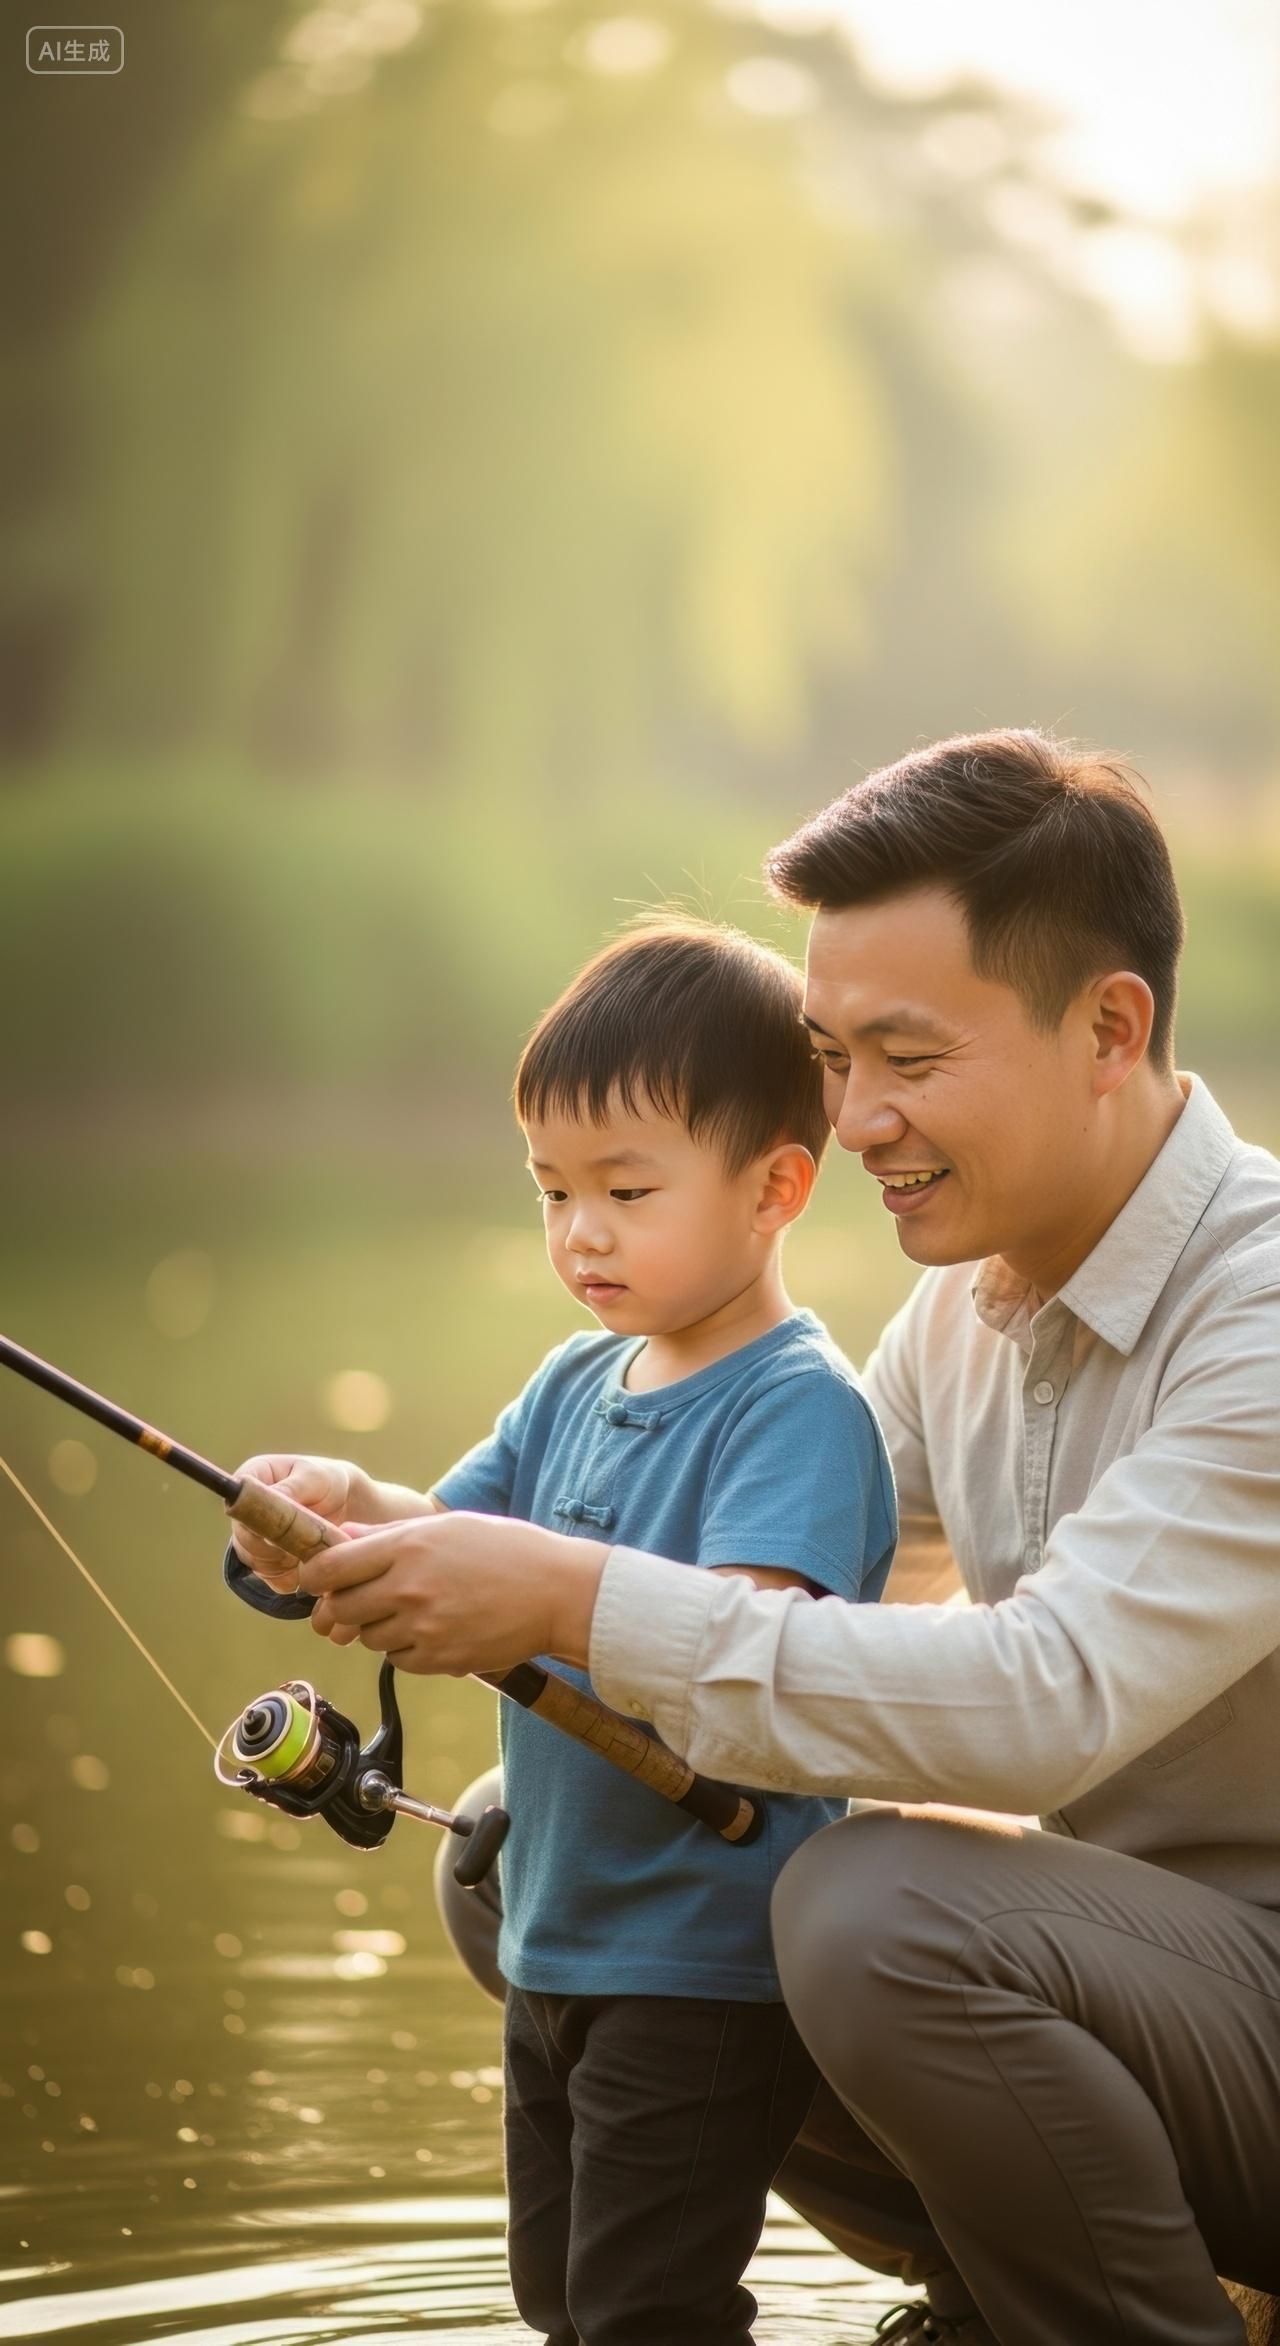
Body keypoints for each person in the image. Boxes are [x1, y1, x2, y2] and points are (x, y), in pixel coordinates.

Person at [281, 730, 1280, 2346]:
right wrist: (387, 1535)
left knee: (871, 1907)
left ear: (1109, 1027)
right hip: (1139, 1983)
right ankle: (984, 2289)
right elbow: (750, 1564)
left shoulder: (1264, 1310)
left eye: (907, 1056)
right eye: (831, 1055)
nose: (857, 1116)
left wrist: (563, 1593)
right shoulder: (969, 1307)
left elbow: (1042, 1702)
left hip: (1252, 2005)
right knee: (514, 1844)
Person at [229, 917, 897, 2346]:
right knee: (560, 2302)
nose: (580, 1230)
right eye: (550, 1190)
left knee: (647, 2310)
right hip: (556, 1942)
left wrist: (533, 1586)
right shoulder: (569, 1380)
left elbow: (753, 1656)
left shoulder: (799, 1409)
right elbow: (437, 1545)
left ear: (778, 1184)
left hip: (703, 1963)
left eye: (626, 1189)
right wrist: (335, 1515)